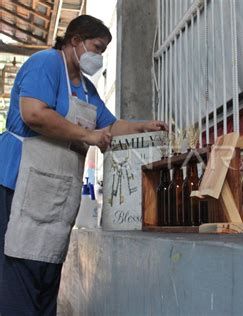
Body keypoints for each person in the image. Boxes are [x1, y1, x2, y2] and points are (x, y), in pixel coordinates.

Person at [0, 15, 167, 314]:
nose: (98, 57)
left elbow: (112, 126)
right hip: (16, 182)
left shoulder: (86, 89)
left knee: (47, 268)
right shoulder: (46, 63)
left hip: (54, 193)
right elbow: (34, 114)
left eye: (103, 51)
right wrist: (86, 135)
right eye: (97, 47)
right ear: (75, 40)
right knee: (18, 267)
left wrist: (143, 127)